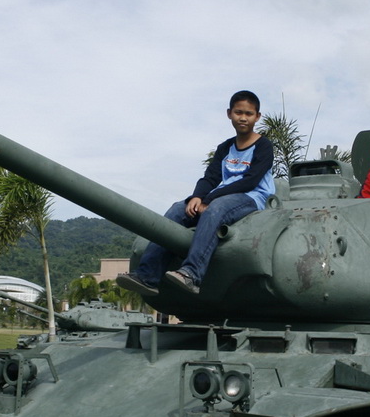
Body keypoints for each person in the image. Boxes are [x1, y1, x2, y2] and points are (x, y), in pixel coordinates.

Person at [117, 91, 276, 297]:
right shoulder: (225, 148)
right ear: (229, 113)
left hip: (252, 197)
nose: (243, 118)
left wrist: (209, 199)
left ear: (257, 116)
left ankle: (192, 274)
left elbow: (250, 180)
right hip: (223, 196)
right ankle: (147, 276)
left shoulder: (263, 146)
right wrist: (196, 197)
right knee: (178, 209)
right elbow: (210, 178)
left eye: (248, 113)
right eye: (238, 112)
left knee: (215, 209)